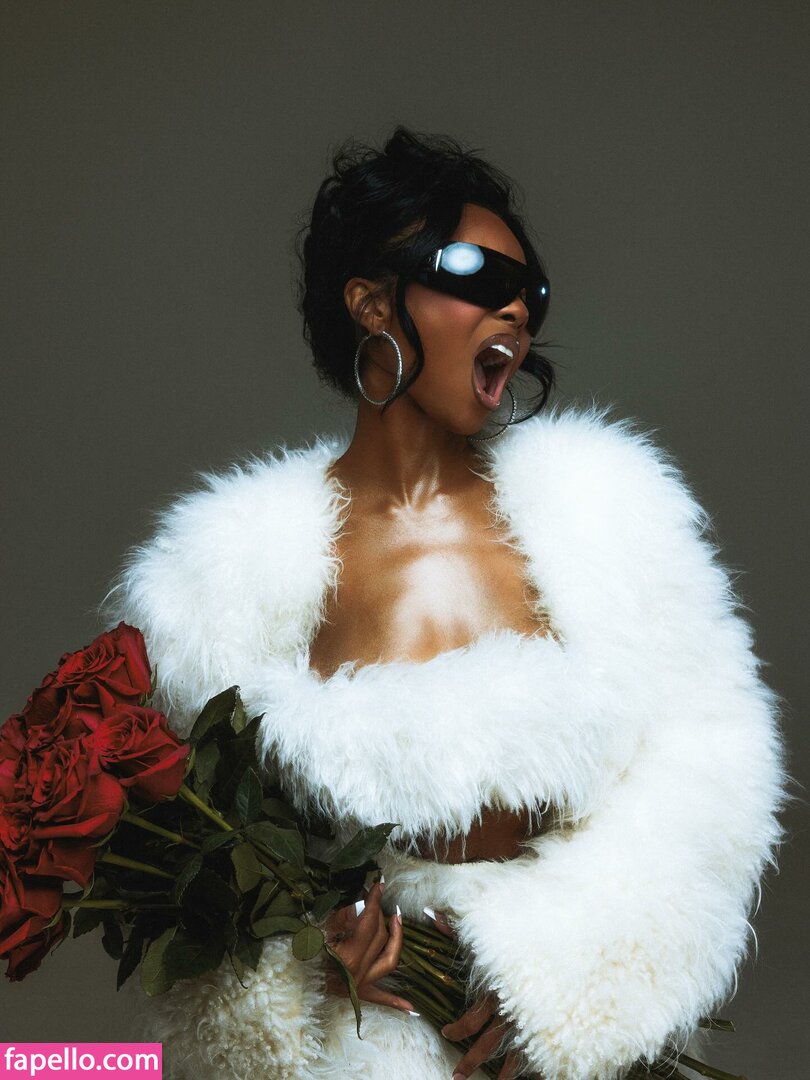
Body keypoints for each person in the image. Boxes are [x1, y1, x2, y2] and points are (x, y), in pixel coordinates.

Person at [100, 127, 788, 1080]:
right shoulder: (220, 584)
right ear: (371, 301)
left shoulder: (608, 519)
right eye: (475, 274)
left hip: (554, 1053)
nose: (515, 306)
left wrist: (563, 986)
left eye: (530, 290)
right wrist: (305, 957)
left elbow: (707, 770)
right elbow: (185, 879)